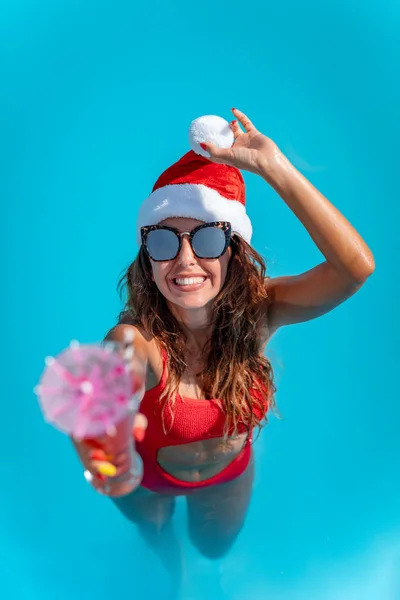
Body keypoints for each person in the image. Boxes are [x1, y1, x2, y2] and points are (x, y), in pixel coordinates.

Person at [73, 109, 374, 590]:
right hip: (145, 480)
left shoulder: (261, 314)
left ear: (234, 252)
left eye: (209, 238)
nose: (185, 259)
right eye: (164, 241)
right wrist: (96, 440)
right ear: (146, 261)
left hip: (227, 476)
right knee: (158, 542)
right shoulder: (137, 341)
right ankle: (171, 579)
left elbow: (354, 270)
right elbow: (108, 378)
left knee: (215, 548)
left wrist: (276, 168)